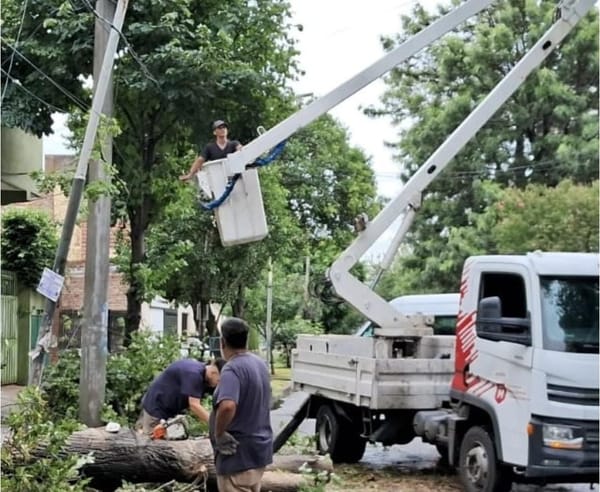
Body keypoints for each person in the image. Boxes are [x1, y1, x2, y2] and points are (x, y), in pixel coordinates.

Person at [209, 318, 273, 492]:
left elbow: (228, 405)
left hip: (237, 455)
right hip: (258, 452)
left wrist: (219, 433)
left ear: (222, 342)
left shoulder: (232, 368)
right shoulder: (259, 364)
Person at [137, 358, 226, 435]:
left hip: (168, 410)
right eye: (219, 381)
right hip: (156, 408)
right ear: (213, 373)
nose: (218, 385)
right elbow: (194, 405)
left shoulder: (205, 376)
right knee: (151, 445)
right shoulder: (193, 374)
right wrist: (216, 426)